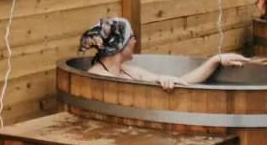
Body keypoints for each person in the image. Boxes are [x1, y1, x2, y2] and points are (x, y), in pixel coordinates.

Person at [77, 16, 250, 90]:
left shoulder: (129, 72)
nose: (135, 41)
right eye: (132, 37)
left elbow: (183, 82)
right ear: (119, 45)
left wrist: (215, 60)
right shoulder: (97, 77)